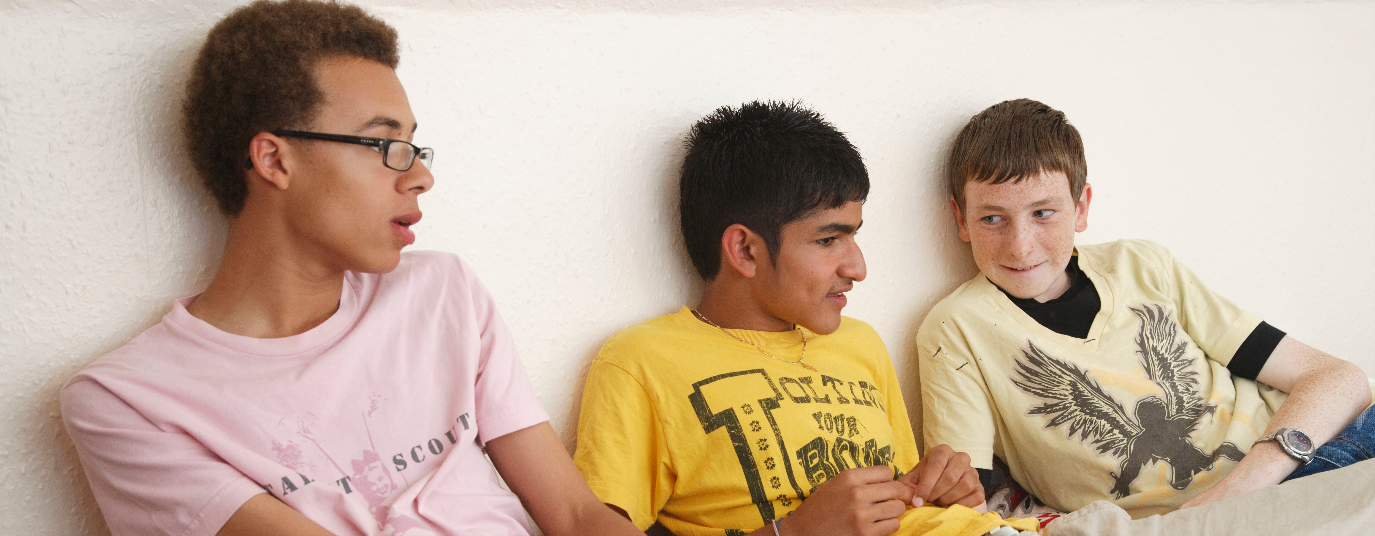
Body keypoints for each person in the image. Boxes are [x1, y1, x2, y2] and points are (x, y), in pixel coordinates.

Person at [58, 2, 643, 535]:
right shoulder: (129, 402)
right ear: (274, 159)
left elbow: (575, 513)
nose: (419, 175)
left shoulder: (444, 294)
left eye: (414, 146)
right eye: (383, 144)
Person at [573, 101, 1038, 536]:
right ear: (745, 250)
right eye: (827, 240)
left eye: (852, 236)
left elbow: (902, 502)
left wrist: (942, 489)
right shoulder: (641, 362)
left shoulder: (859, 343)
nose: (857, 268)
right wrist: (792, 531)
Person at [916, 98, 1375, 519]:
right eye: (992, 218)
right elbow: (968, 496)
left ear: (1081, 207)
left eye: (1043, 213)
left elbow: (1340, 380)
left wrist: (1247, 484)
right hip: (1206, 519)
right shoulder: (957, 329)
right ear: (961, 219)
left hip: (1311, 451)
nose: (1020, 245)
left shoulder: (1140, 265)